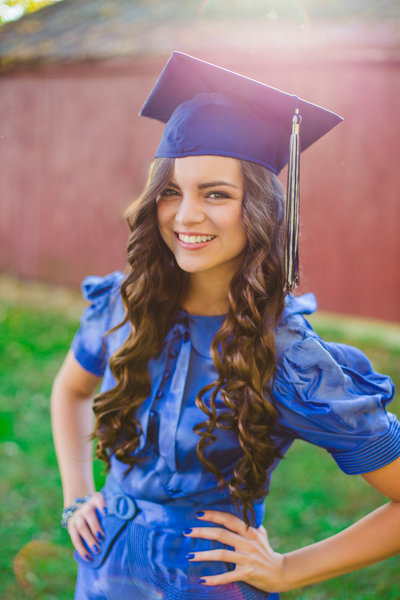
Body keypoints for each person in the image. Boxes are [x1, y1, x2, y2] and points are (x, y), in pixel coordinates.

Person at [51, 52, 400, 600]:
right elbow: (70, 389)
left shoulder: (290, 358)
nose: (186, 215)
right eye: (172, 190)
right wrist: (77, 495)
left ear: (259, 209)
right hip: (103, 572)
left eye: (216, 193)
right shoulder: (124, 303)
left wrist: (288, 569)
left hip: (207, 584)